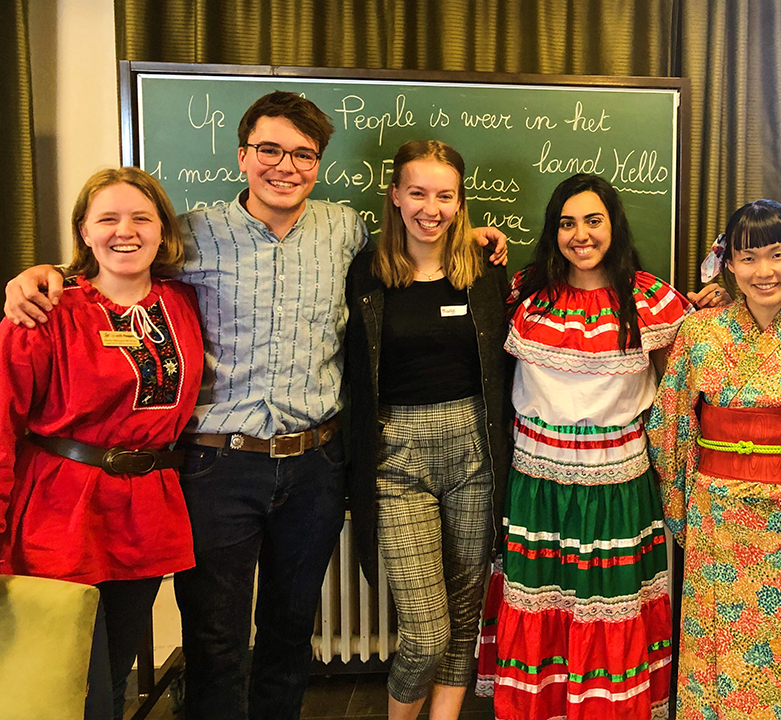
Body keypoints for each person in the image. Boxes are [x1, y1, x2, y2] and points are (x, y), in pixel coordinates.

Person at [2, 91, 508, 720]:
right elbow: (117, 258)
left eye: (303, 154)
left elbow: (418, 250)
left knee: (290, 634)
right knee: (215, 641)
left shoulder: (345, 231)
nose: (285, 166)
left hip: (315, 467)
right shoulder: (190, 234)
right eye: (269, 149)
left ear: (318, 164)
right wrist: (42, 273)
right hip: (217, 467)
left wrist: (475, 234)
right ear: (242, 155)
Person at [477, 173, 691, 720]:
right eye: (567, 223)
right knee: (545, 598)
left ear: (613, 227)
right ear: (553, 232)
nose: (581, 235)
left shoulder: (651, 300)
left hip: (617, 484)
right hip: (538, 482)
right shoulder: (524, 292)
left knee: (608, 603)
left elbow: (678, 389)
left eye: (593, 221)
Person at [0, 167, 201, 720]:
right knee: (72, 686)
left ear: (163, 231)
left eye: (141, 217)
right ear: (83, 232)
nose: (125, 231)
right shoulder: (42, 312)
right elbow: (0, 423)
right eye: (107, 218)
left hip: (144, 515)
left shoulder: (182, 303)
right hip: (61, 515)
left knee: (114, 684)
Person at [647, 199, 781, 720]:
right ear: (729, 264)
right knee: (713, 657)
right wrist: (682, 513)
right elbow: (668, 427)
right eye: (748, 258)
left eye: (777, 254)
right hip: (716, 516)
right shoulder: (698, 334)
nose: (764, 272)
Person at [344, 139, 511, 720]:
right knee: (426, 632)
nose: (430, 207)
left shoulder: (485, 270)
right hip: (397, 458)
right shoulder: (365, 271)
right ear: (394, 196)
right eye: (417, 192)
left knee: (466, 617)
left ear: (460, 202)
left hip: (476, 450)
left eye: (445, 195)